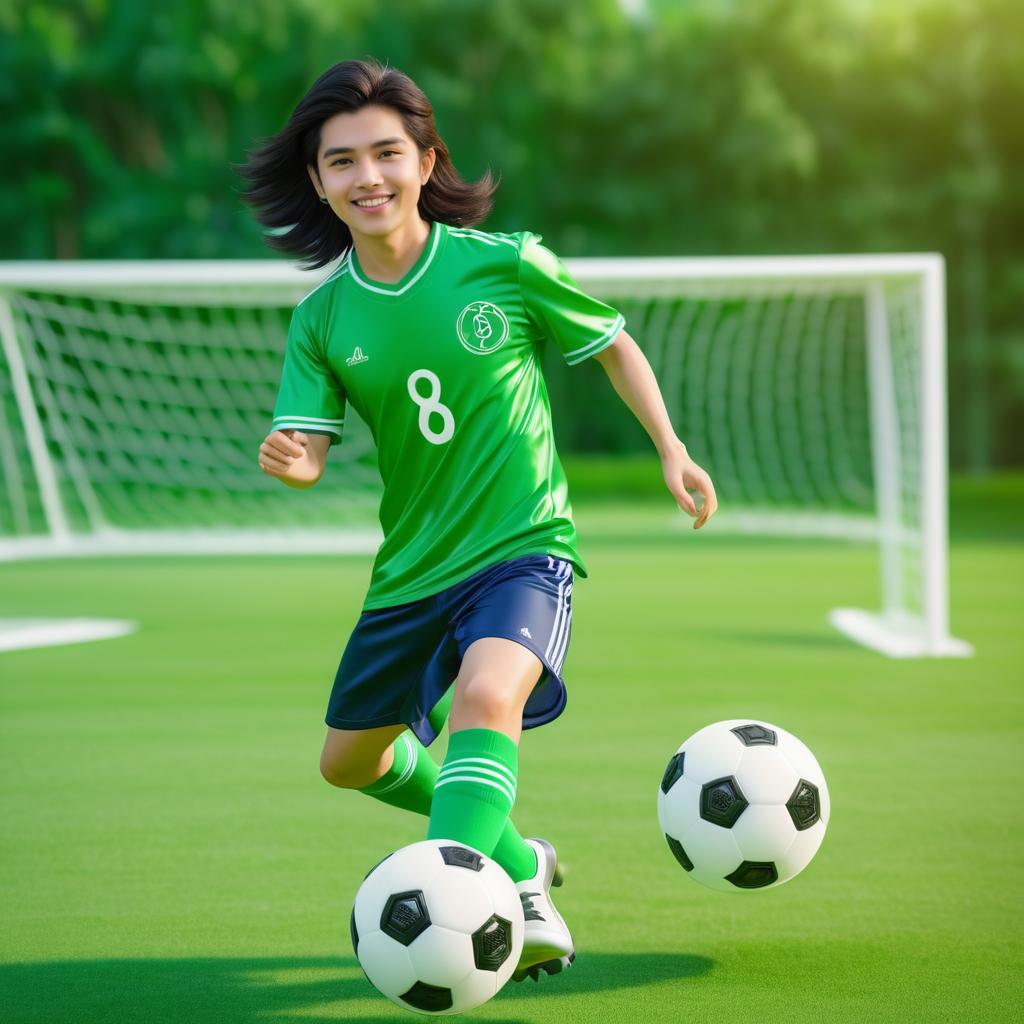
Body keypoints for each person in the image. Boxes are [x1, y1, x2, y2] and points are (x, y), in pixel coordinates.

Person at [238, 58, 717, 983]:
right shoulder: (322, 319)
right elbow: (308, 451)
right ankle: (516, 860)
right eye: (342, 162)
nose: (366, 177)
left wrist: (669, 445)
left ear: (426, 160)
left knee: (485, 701)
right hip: (412, 569)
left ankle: (478, 904)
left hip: (523, 549)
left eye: (387, 153)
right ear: (317, 180)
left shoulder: (506, 262)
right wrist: (295, 464)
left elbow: (613, 342)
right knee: (351, 761)